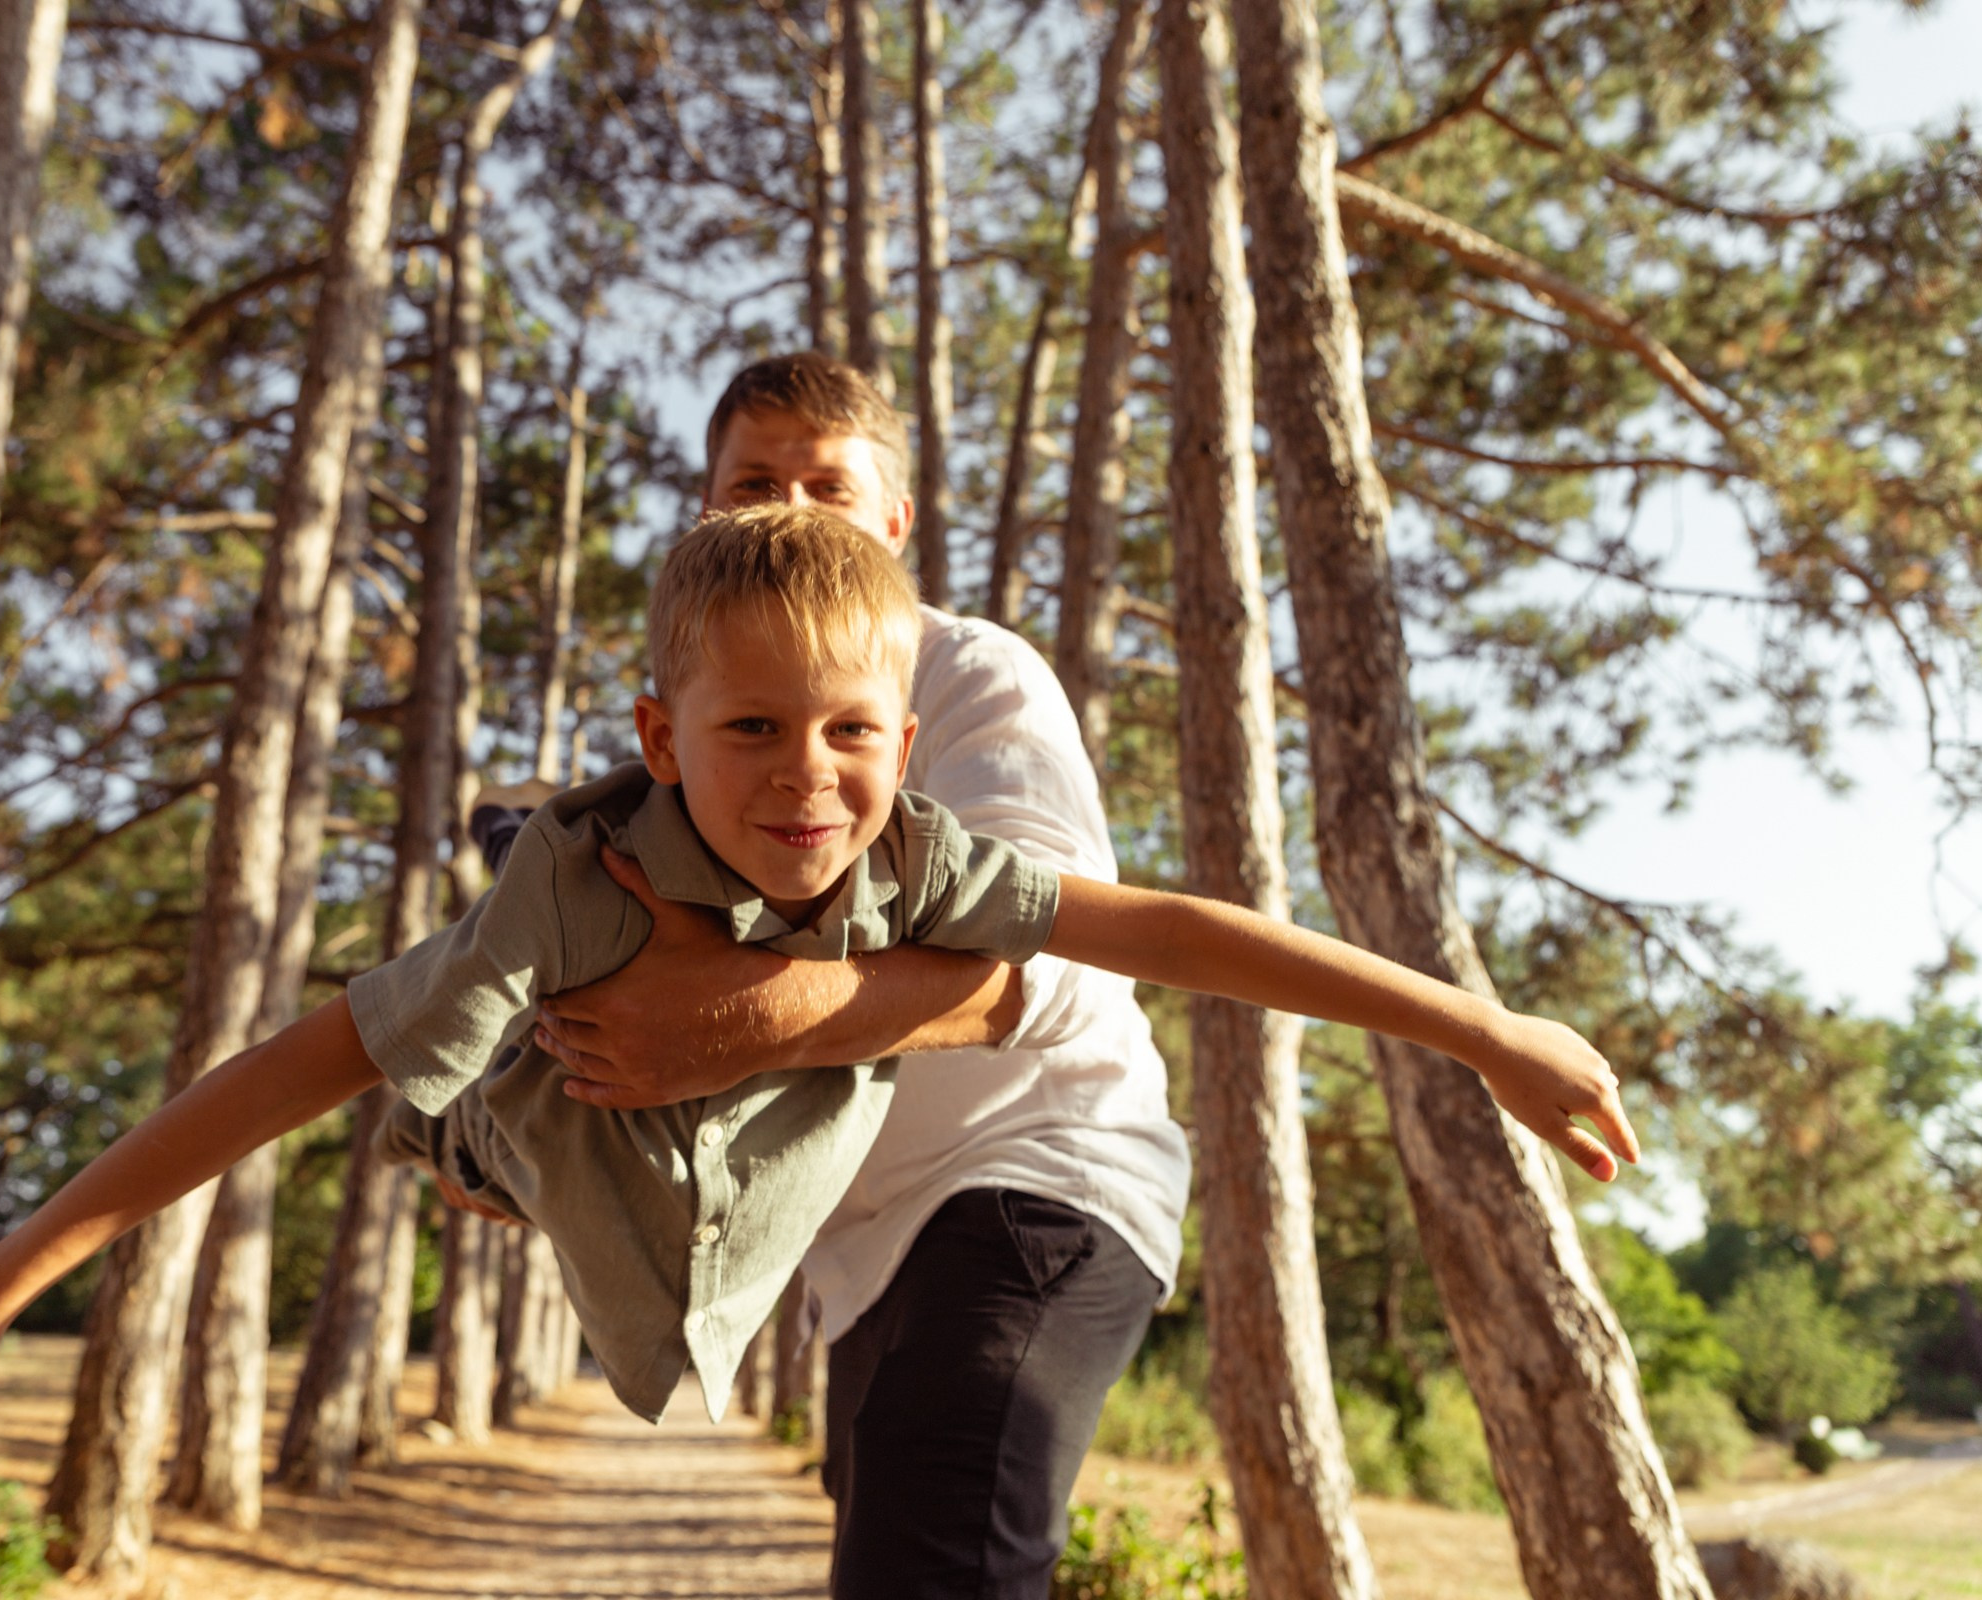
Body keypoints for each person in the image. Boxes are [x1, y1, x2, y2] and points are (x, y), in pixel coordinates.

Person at [0, 498, 1634, 1577]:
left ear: (908, 738)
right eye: (750, 737)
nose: (806, 783)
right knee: (472, 1061)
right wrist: (2, 1279)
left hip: (795, 1208)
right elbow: (293, 1061)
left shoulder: (924, 848)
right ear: (663, 738)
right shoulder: (581, 884)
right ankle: (479, 1127)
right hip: (563, 1128)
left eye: (847, 735)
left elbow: (1181, 933)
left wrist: (1483, 1030)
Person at [496, 354, 1634, 1597]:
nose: (791, 507)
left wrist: (1478, 1027)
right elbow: (638, 1016)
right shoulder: (712, 759)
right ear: (710, 518)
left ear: (894, 523)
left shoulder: (971, 681)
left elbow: (1095, 962)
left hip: (1039, 1182)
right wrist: (544, 1143)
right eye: (754, 483)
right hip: (864, 1259)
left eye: (828, 483)